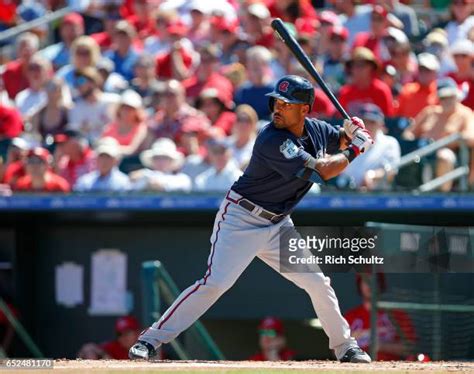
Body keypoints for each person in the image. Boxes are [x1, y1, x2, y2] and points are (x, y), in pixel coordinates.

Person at [129, 75, 374, 363]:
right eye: (277, 102)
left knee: (318, 283)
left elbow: (341, 139)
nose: (278, 108)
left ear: (305, 110)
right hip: (241, 218)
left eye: (287, 103)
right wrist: (355, 148)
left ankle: (346, 347)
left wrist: (352, 130)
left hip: (278, 223)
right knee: (214, 284)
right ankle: (150, 340)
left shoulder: (317, 130)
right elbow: (323, 171)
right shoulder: (272, 139)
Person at [405, 77, 474, 191]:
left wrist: (448, 141)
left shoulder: (465, 113)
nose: (447, 100)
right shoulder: (429, 111)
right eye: (443, 97)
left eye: (450, 96)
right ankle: (410, 192)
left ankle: (443, 197)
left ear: (456, 96)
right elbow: (408, 134)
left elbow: (471, 137)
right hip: (423, 153)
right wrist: (418, 142)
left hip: (452, 154)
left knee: (444, 156)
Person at [345, 274, 416, 361]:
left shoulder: (396, 314)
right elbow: (336, 351)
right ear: (359, 285)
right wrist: (362, 336)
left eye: (374, 280)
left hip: (390, 366)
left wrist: (382, 346)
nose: (370, 285)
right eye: (366, 281)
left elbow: (410, 348)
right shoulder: (350, 316)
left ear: (380, 284)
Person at [340, 103, 400, 190]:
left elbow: (392, 171)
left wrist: (372, 175)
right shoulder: (349, 141)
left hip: (378, 195)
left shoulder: (389, 142)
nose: (368, 126)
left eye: (372, 122)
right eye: (364, 122)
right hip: (345, 192)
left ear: (381, 123)